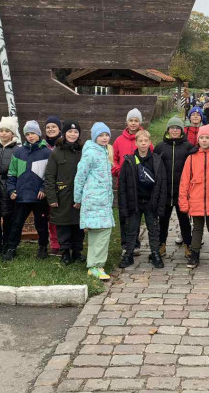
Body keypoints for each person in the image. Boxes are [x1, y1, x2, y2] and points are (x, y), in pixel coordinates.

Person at [118, 130, 168, 269]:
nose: (143, 143)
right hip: (135, 201)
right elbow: (122, 185)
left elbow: (162, 183)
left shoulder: (157, 160)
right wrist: (123, 205)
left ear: (150, 143)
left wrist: (160, 203)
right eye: (140, 141)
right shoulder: (129, 161)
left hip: (151, 201)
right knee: (132, 229)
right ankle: (128, 254)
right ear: (136, 143)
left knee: (153, 229)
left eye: (146, 141)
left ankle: (155, 253)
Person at [3, 120, 52, 261]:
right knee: (16, 223)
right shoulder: (19, 152)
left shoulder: (46, 153)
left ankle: (43, 247)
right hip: (21, 197)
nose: (30, 136)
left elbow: (49, 175)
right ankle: (11, 247)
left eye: (33, 133)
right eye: (28, 134)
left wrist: (43, 189)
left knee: (41, 224)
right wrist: (11, 189)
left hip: (39, 197)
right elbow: (12, 173)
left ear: (38, 134)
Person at [75, 122, 116, 281]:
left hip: (102, 199)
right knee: (103, 231)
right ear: (94, 137)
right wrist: (77, 198)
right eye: (101, 135)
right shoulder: (91, 153)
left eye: (106, 135)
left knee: (96, 232)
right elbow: (80, 176)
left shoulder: (104, 151)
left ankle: (93, 265)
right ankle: (97, 265)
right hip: (94, 199)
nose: (104, 138)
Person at [179, 124, 209, 269]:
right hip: (196, 199)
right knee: (197, 227)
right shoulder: (191, 158)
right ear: (198, 140)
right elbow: (184, 181)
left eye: (207, 138)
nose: (204, 140)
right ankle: (194, 254)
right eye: (201, 138)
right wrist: (183, 201)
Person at [45, 121, 84, 265]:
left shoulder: (83, 151)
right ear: (64, 133)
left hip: (79, 195)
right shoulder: (56, 152)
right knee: (63, 225)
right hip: (61, 196)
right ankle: (65, 252)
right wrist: (51, 197)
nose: (73, 135)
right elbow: (49, 176)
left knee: (78, 225)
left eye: (75, 132)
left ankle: (77, 251)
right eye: (70, 132)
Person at [154, 116, 193, 257]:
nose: (175, 130)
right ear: (168, 130)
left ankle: (188, 244)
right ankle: (161, 245)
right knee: (163, 220)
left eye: (177, 128)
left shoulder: (188, 147)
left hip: (181, 191)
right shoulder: (160, 147)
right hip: (165, 191)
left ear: (181, 130)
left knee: (184, 221)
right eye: (172, 128)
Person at [112, 108, 150, 255]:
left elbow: (150, 157)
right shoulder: (119, 140)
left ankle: (135, 243)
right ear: (127, 122)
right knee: (124, 214)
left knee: (136, 213)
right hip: (123, 184)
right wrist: (118, 171)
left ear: (140, 122)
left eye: (136, 120)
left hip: (140, 184)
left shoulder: (143, 138)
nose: (133, 123)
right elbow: (113, 159)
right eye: (131, 120)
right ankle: (125, 244)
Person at [0, 116, 20, 258]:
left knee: (9, 217)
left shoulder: (18, 151)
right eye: (1, 130)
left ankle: (9, 245)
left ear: (13, 133)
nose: (4, 133)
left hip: (9, 186)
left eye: (7, 130)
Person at [44, 115, 63, 255]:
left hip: (62, 185)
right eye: (48, 127)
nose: (50, 129)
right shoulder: (42, 145)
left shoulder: (63, 144)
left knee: (61, 215)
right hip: (46, 185)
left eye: (53, 127)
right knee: (50, 216)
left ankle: (64, 242)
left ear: (59, 129)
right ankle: (54, 243)